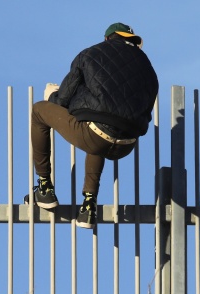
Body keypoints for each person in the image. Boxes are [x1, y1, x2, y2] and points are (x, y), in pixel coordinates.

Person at [25, 22, 159, 229]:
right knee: (101, 122)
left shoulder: (91, 54)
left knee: (38, 110)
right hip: (127, 144)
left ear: (108, 38)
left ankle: (44, 188)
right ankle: (88, 205)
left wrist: (52, 95)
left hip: (94, 135)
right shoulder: (148, 68)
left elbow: (63, 99)